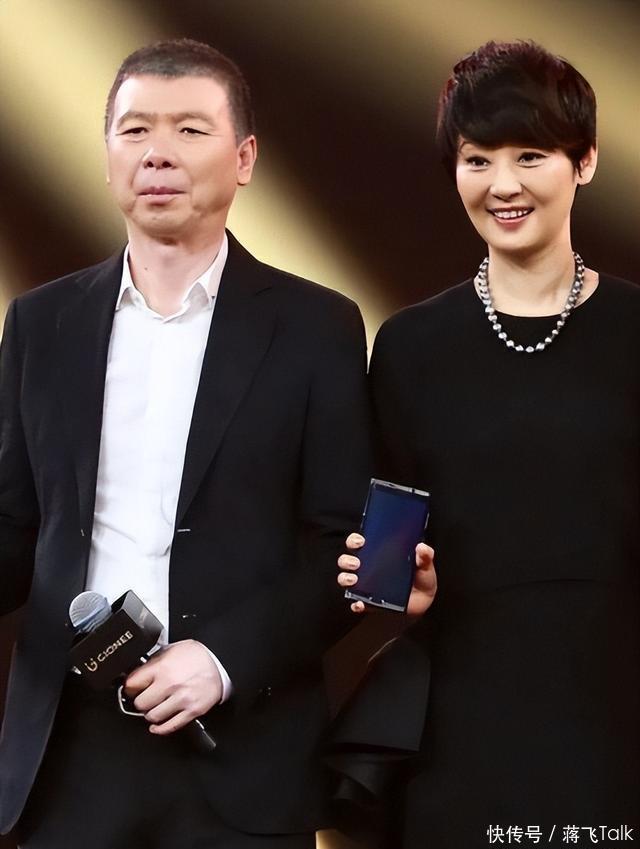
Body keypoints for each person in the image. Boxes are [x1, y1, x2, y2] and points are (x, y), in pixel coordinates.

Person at [0, 38, 374, 848]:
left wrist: (224, 659)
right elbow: (14, 528)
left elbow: (343, 545)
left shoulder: (318, 327)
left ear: (244, 158)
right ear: (107, 155)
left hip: (239, 746)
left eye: (190, 130)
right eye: (135, 130)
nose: (158, 152)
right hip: (69, 753)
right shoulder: (40, 323)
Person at [337, 40, 639, 847]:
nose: (502, 184)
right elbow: (385, 554)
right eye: (478, 159)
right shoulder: (410, 346)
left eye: (530, 155)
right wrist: (392, 583)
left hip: (616, 712)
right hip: (461, 723)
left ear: (585, 161)